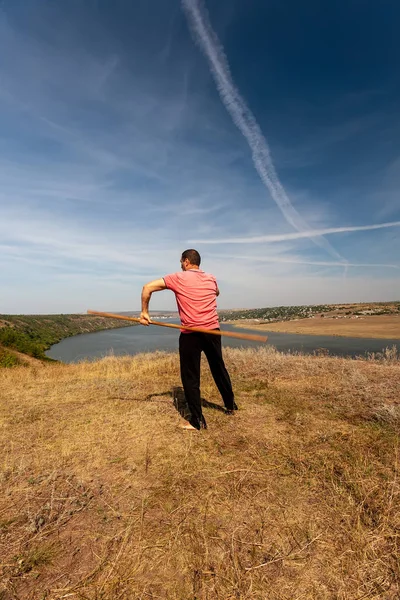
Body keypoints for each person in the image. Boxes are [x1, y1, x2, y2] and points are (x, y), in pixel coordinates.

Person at [139, 249, 237, 430]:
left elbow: (147, 287)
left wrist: (145, 312)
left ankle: (197, 422)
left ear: (185, 262)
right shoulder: (211, 278)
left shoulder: (178, 277)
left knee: (190, 377)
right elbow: (216, 293)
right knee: (218, 367)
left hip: (191, 334)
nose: (180, 265)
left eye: (180, 262)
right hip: (213, 331)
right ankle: (230, 405)